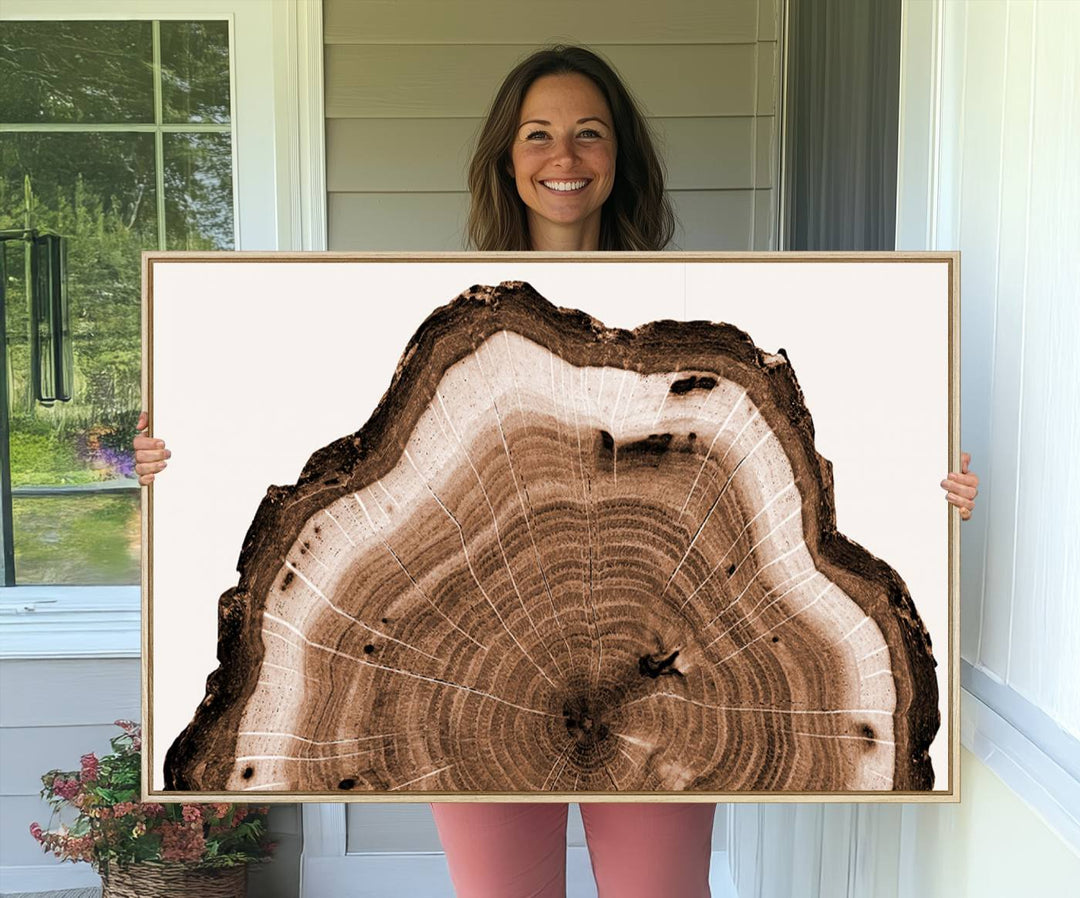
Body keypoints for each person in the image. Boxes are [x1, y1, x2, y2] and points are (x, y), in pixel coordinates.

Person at [133, 45, 979, 898]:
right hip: (464, 661)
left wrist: (928, 495)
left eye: (589, 134)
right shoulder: (435, 315)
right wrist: (180, 463)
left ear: (620, 159)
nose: (563, 158)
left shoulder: (708, 303)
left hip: (669, 653)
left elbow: (827, 450)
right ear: (508, 157)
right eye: (538, 135)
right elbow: (280, 428)